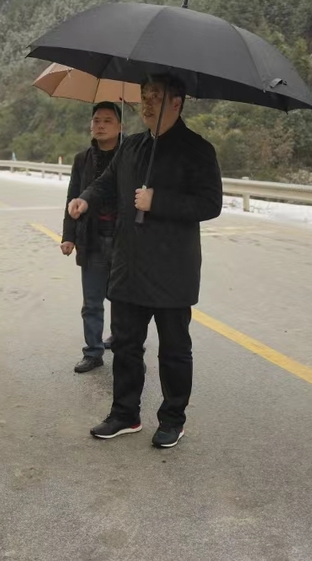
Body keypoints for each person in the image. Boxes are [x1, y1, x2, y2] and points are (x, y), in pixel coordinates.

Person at [69, 74, 222, 449]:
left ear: (177, 102)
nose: (148, 102)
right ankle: (125, 413)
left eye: (157, 95)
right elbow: (105, 182)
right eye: (144, 95)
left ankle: (172, 418)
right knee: (125, 345)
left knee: (173, 349)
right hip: (128, 264)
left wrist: (159, 201)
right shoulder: (132, 146)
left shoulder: (197, 149)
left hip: (173, 269)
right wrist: (86, 198)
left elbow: (210, 204)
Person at [61, 101, 122, 373]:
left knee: (124, 300)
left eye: (108, 120)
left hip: (124, 240)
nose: (100, 125)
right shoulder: (82, 159)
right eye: (96, 120)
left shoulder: (131, 155)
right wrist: (68, 236)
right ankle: (93, 351)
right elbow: (72, 196)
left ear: (120, 126)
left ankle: (125, 348)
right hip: (93, 238)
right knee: (92, 301)